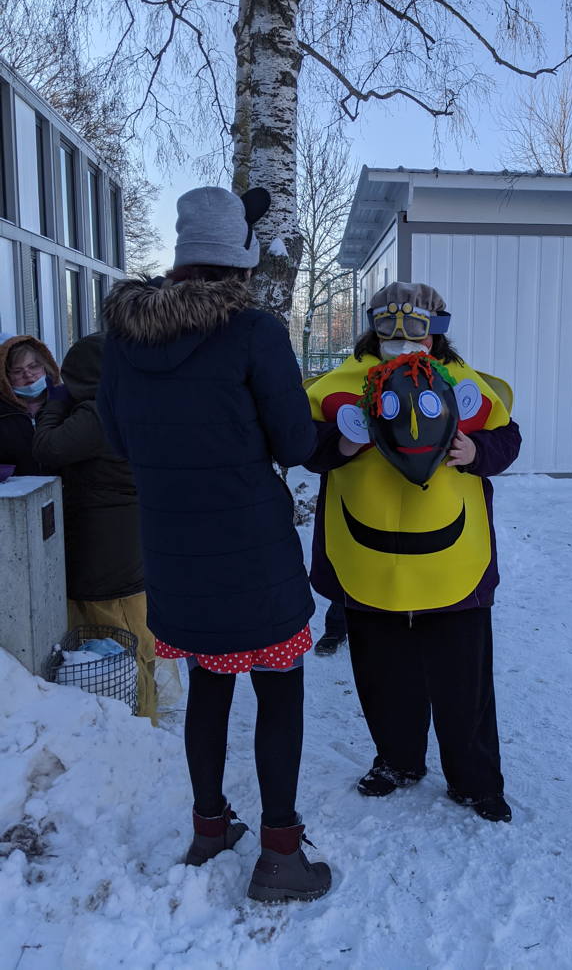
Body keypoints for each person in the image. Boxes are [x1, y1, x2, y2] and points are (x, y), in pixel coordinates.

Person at [97, 186, 331, 902]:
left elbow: (114, 437)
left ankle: (209, 827)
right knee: (279, 691)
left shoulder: (125, 339)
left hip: (173, 550)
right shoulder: (255, 332)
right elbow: (297, 442)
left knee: (208, 684)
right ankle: (281, 857)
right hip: (252, 552)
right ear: (240, 261)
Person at [305, 281, 521, 823]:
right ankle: (397, 760)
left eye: (416, 327)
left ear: (437, 329)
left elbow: (507, 437)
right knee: (383, 674)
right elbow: (303, 444)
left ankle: (474, 779)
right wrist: (340, 444)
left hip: (455, 563)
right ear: (372, 325)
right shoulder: (337, 386)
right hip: (368, 561)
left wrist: (478, 450)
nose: (401, 340)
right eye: (388, 327)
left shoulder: (466, 384)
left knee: (464, 682)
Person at [32, 332, 158, 721]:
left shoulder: (98, 411)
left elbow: (47, 450)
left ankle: (134, 720)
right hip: (124, 541)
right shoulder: (134, 401)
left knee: (113, 637)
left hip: (104, 548)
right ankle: (145, 713)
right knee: (133, 633)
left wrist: (53, 405)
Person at [0, 335, 60, 475]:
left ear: (46, 367)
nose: (28, 375)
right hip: (18, 493)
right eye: (17, 371)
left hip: (64, 491)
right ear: (6, 378)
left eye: (33, 367)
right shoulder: (3, 413)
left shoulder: (66, 403)